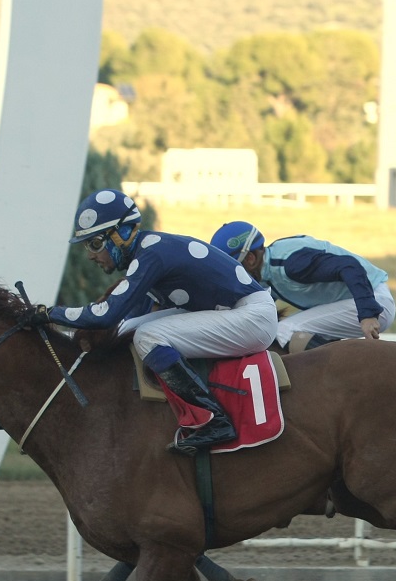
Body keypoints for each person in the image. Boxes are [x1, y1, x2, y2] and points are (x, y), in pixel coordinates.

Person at [45, 189, 278, 455]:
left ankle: (213, 420)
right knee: (130, 330)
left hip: (253, 317)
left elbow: (104, 314)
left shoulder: (152, 255)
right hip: (237, 312)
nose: (90, 255)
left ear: (121, 234)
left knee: (148, 336)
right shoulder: (147, 253)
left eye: (95, 244)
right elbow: (119, 323)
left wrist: (49, 314)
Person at [208, 221, 396, 350]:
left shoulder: (291, 265)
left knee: (286, 330)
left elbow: (350, 266)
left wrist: (368, 314)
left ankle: (348, 372)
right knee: (288, 328)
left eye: (235, 268)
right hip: (358, 301)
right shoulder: (268, 270)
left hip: (373, 303)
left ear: (250, 259)